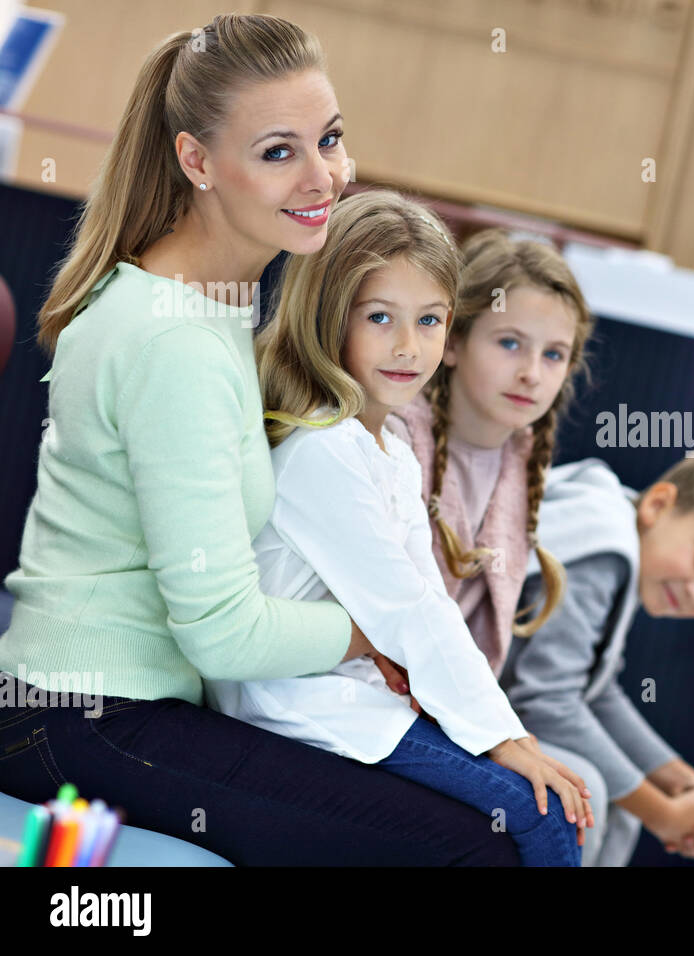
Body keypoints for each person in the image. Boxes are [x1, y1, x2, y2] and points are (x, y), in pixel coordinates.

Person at [0, 15, 519, 865]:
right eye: (281, 152)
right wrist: (366, 636)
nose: (325, 177)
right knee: (473, 847)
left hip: (94, 704)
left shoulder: (197, 306)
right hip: (86, 716)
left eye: (332, 140)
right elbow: (222, 633)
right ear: (196, 161)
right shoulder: (176, 341)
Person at [204, 191, 592, 866]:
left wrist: (507, 735)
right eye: (380, 317)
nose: (408, 347)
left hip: (361, 698)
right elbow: (407, 611)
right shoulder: (323, 446)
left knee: (542, 812)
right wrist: (505, 738)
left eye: (430, 321)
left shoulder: (388, 448)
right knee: (541, 820)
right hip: (301, 706)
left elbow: (429, 601)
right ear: (331, 315)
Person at [385, 227, 615, 860]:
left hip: (445, 699)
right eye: (510, 342)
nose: (530, 373)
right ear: (453, 341)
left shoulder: (520, 455)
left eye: (553, 355)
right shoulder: (399, 434)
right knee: (556, 807)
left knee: (585, 790)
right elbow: (408, 612)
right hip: (385, 691)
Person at [502, 441, 694, 865]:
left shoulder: (623, 544)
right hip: (439, 704)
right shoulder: (603, 548)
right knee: (588, 790)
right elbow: (544, 702)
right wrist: (662, 813)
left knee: (624, 803)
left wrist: (676, 779)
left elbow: (596, 690)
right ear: (659, 504)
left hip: (503, 712)